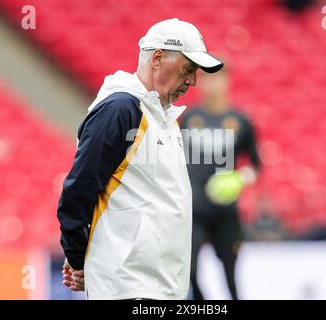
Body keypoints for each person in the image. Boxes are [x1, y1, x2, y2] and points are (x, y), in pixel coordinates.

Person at [56, 18, 223, 300]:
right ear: (157, 58)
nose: (193, 81)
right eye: (188, 69)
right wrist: (78, 256)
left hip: (156, 285)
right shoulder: (121, 108)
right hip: (128, 285)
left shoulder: (162, 116)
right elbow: (78, 191)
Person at [181, 66, 260, 300]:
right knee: (189, 271)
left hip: (226, 211)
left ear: (227, 81)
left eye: (217, 78)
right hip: (194, 209)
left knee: (229, 274)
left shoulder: (240, 121)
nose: (211, 84)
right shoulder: (189, 119)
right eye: (206, 79)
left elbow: (255, 165)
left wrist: (240, 178)